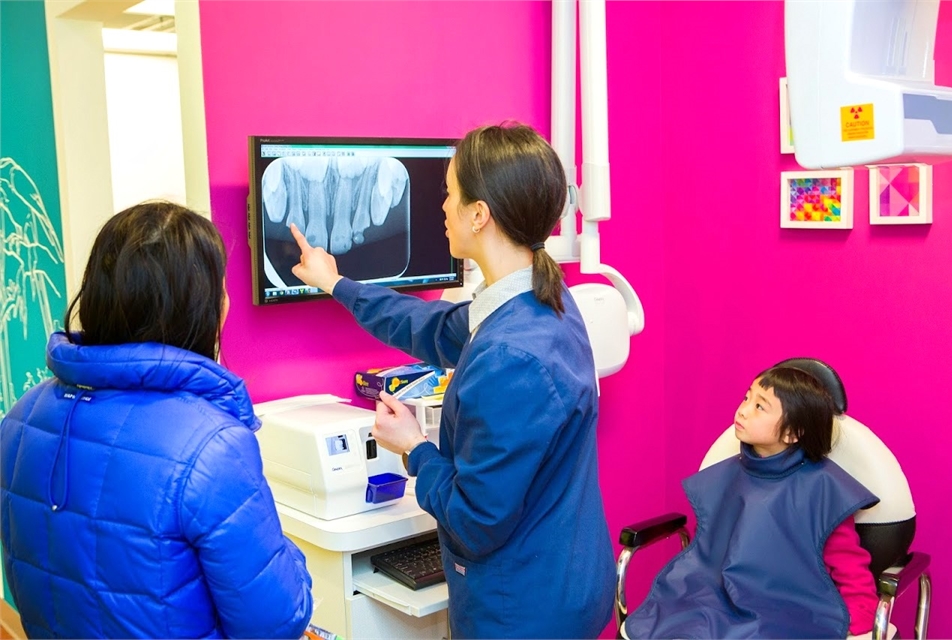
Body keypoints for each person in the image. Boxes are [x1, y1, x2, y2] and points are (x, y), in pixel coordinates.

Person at [290, 122, 614, 639]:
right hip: (561, 582)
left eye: (449, 193)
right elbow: (432, 327)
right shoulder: (542, 301)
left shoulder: (510, 356)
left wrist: (414, 448)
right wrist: (336, 283)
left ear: (479, 214)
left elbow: (473, 523)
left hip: (523, 613)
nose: (442, 207)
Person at [0, 202, 313, 638]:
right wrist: (285, 553)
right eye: (220, 289)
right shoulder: (211, 447)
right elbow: (277, 622)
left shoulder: (20, 418)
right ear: (202, 307)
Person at [625, 366, 881, 639]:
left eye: (760, 406)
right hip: (715, 598)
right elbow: (708, 555)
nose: (743, 410)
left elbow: (850, 570)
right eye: (747, 398)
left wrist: (858, 620)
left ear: (792, 433)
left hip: (790, 608)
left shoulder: (823, 489)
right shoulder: (725, 477)